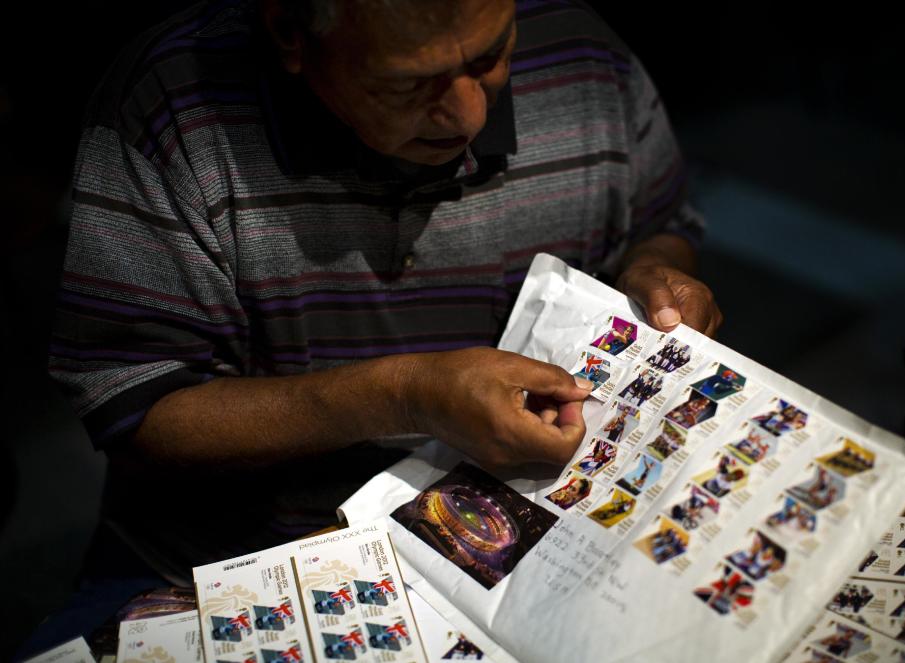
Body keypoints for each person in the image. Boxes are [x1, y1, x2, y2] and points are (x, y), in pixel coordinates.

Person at [48, 0, 720, 586]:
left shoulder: (582, 56)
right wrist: (405, 396)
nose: (468, 113)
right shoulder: (173, 112)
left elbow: (661, 225)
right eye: (409, 83)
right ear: (291, 32)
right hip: (246, 558)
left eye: (490, 56)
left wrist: (657, 267)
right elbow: (135, 411)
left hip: (540, 549)